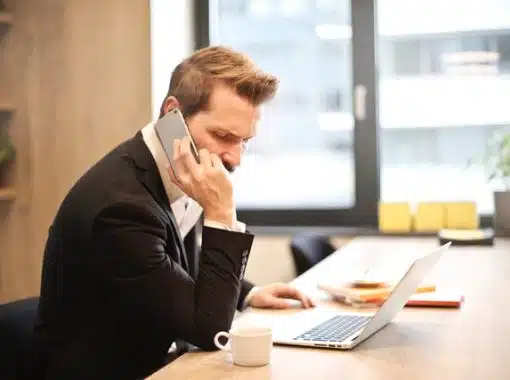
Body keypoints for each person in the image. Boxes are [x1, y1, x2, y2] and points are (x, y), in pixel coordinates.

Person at [34, 45, 315, 380]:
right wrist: (222, 214)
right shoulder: (120, 209)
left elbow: (173, 259)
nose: (234, 159)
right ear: (173, 116)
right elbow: (210, 330)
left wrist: (247, 293)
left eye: (244, 142)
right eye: (223, 136)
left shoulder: (175, 166)